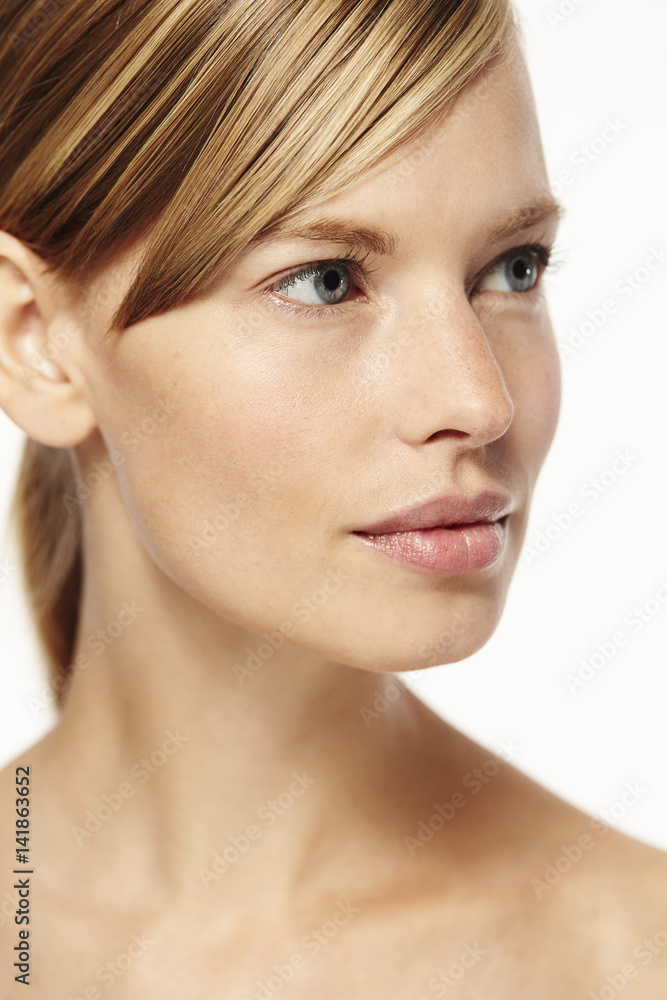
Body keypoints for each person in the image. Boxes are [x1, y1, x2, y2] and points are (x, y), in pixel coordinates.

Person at [0, 0, 666, 996]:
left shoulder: (627, 957)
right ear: (37, 345)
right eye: (324, 282)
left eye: (511, 269)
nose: (477, 399)